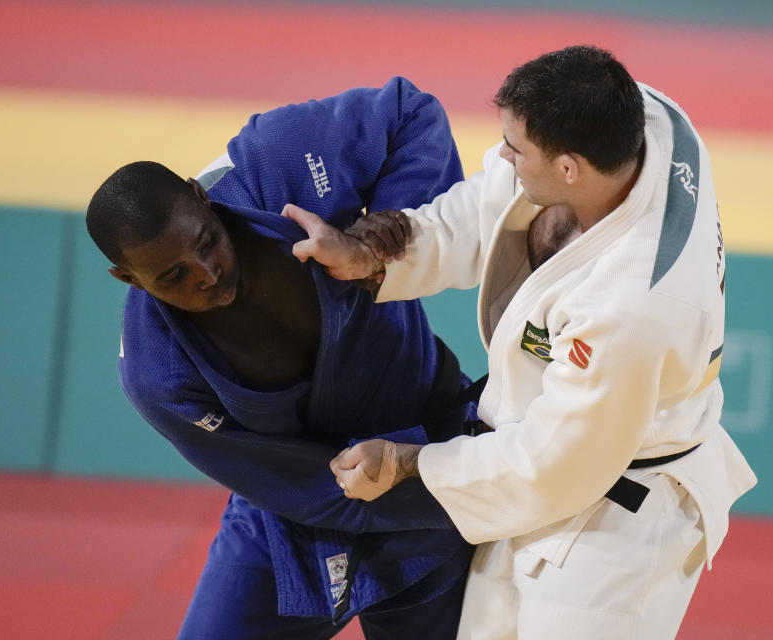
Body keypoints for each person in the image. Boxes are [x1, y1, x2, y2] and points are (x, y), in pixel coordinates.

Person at [285, 46, 758, 639]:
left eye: (517, 149)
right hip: (568, 453)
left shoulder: (631, 306)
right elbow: (495, 201)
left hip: (620, 520)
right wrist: (379, 256)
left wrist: (413, 464)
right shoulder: (638, 115)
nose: (502, 154)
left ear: (569, 168)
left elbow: (556, 463)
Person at [85, 77, 479, 640]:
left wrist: (391, 234)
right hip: (296, 514)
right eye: (172, 277)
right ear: (129, 280)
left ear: (204, 197)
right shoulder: (158, 371)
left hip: (429, 447)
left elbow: (410, 114)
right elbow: (283, 481)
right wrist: (450, 491)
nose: (206, 274)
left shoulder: (281, 161)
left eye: (206, 243)